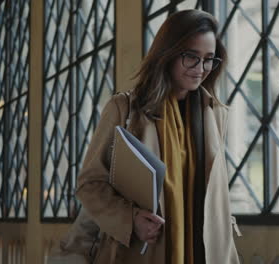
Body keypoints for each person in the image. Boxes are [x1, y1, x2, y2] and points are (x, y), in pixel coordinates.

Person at [58, 9, 240, 264]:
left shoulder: (215, 115)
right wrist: (130, 219)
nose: (201, 69)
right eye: (191, 57)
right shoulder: (124, 109)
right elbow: (90, 183)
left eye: (209, 59)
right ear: (168, 53)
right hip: (141, 250)